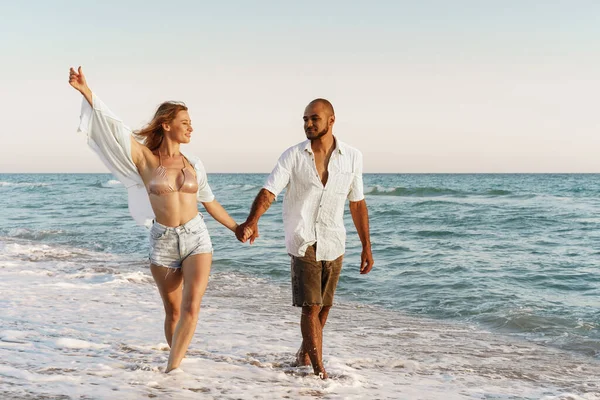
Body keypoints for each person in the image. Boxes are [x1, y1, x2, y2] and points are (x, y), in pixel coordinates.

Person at [69, 66, 249, 373]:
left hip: (196, 238)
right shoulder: (145, 159)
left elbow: (210, 202)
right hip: (163, 242)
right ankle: (177, 363)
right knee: (175, 313)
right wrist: (87, 92)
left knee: (192, 308)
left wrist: (237, 228)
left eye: (191, 123)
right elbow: (115, 128)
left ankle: (171, 373)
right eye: (185, 123)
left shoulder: (195, 165)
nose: (191, 128)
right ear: (166, 126)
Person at [236, 98, 373, 379]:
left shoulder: (353, 157)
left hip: (334, 240)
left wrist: (366, 246)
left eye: (314, 119)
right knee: (311, 307)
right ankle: (319, 372)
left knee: (325, 306)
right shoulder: (293, 156)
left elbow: (357, 203)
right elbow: (269, 191)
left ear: (331, 120)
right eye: (305, 119)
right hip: (303, 239)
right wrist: (253, 220)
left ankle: (304, 355)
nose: (308, 124)